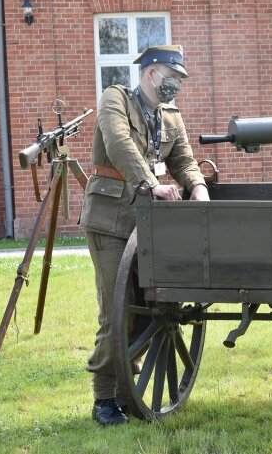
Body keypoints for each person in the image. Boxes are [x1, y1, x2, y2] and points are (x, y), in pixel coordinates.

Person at [79, 45, 210, 426]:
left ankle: (125, 391)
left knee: (148, 307)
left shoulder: (170, 117)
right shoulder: (114, 99)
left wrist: (198, 188)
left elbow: (184, 160)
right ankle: (104, 400)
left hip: (151, 225)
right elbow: (119, 144)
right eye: (174, 77)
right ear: (152, 72)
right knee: (116, 310)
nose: (178, 85)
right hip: (110, 220)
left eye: (181, 80)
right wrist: (152, 183)